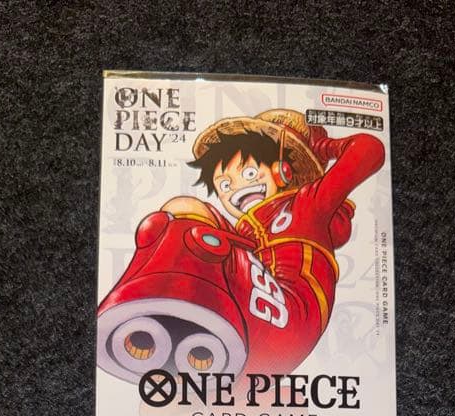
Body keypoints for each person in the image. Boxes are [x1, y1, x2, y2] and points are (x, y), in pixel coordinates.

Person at [97, 109, 386, 379]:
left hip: (290, 317)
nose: (236, 189)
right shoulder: (245, 233)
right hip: (255, 330)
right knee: (172, 219)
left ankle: (151, 312)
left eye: (248, 174)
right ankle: (161, 329)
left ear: (283, 171)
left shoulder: (307, 204)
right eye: (224, 185)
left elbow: (370, 149)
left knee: (189, 216)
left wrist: (323, 148)